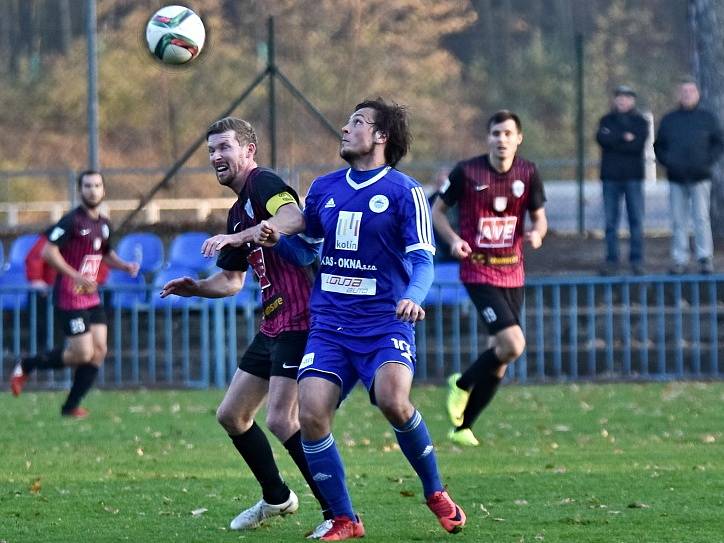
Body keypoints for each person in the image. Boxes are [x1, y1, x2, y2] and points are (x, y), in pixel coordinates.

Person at [256, 98, 467, 541]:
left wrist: (412, 296)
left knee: (393, 399)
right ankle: (344, 518)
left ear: (381, 136)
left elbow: (423, 260)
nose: (346, 128)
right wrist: (276, 240)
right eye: (348, 120)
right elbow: (307, 250)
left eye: (358, 122)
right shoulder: (324, 188)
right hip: (330, 324)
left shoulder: (403, 191)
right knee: (311, 414)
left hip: (385, 323)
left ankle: (434, 491)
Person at [159, 117, 332, 539]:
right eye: (212, 151)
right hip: (273, 322)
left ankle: (337, 512)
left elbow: (293, 217)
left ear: (248, 151)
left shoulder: (262, 183)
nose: (217, 157)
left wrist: (243, 237)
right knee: (233, 415)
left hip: (301, 316)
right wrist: (197, 288)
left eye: (225, 148)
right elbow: (232, 282)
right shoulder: (237, 213)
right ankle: (276, 497)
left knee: (280, 418)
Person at [431, 110, 547, 447]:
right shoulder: (467, 171)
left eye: (508, 133)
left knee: (500, 354)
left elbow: (540, 219)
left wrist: (537, 234)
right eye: (496, 133)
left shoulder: (529, 173)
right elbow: (437, 211)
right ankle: (461, 385)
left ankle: (463, 427)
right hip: (478, 270)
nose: (502, 139)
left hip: (513, 270)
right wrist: (453, 241)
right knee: (513, 344)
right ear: (489, 138)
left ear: (518, 138)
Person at [10, 171, 139, 417]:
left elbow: (105, 253)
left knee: (99, 350)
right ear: (80, 190)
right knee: (82, 353)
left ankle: (70, 406)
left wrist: (125, 265)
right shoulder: (71, 221)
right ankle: (28, 364)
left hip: (91, 296)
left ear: (104, 190)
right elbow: (48, 252)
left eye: (97, 185)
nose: (92, 190)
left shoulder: (104, 224)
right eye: (87, 186)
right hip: (69, 295)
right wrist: (74, 275)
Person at [654, 78, 723, 275]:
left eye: (690, 92)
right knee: (678, 220)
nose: (687, 95)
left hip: (700, 177)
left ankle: (704, 258)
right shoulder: (669, 119)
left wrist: (706, 161)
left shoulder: (707, 118)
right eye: (683, 92)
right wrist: (669, 162)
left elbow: (718, 142)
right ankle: (679, 259)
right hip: (676, 178)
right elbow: (659, 146)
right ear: (679, 95)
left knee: (701, 218)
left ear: (697, 94)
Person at [595, 85, 649, 275]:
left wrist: (615, 139)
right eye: (619, 97)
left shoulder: (640, 121)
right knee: (610, 222)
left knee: (636, 220)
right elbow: (602, 139)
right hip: (610, 177)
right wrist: (623, 138)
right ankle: (612, 260)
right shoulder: (606, 120)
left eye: (626, 97)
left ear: (632, 100)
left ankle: (637, 260)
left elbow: (636, 145)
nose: (622, 101)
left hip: (633, 177)